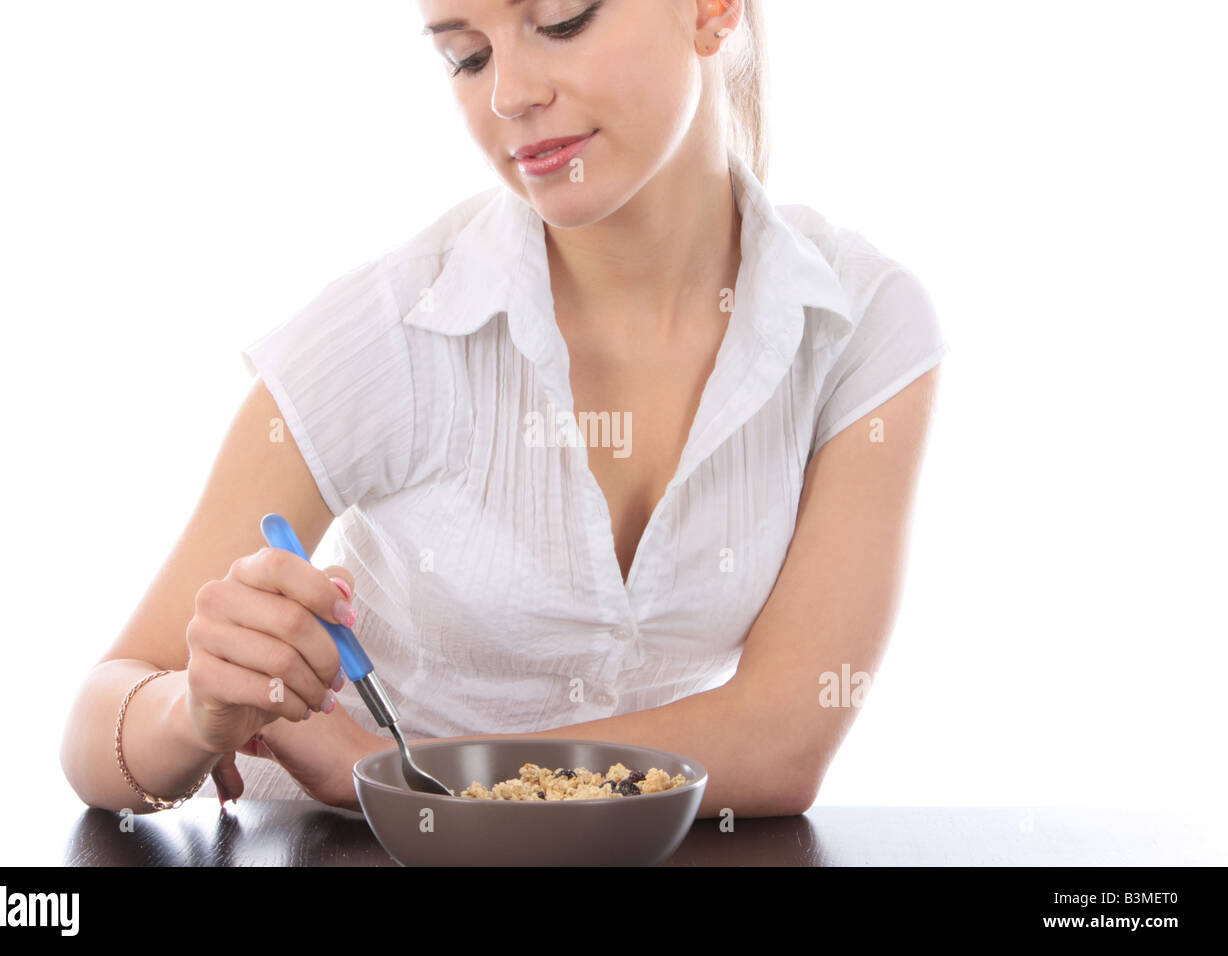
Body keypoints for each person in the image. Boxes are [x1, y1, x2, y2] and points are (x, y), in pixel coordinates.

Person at [60, 0, 949, 819]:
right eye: (467, 55)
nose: (511, 95)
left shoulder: (860, 323)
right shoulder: (394, 327)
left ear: (714, 9)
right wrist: (193, 707)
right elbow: (99, 726)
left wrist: (394, 770)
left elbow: (783, 742)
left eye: (561, 21)